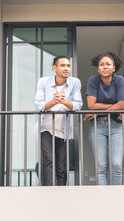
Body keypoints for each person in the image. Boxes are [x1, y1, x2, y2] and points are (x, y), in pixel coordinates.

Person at [35, 56, 82, 186]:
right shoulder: (43, 82)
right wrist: (54, 101)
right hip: (46, 128)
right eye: (63, 65)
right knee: (48, 160)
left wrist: (64, 101)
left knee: (61, 165)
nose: (66, 68)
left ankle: (61, 191)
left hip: (63, 131)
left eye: (68, 66)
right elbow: (39, 105)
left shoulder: (75, 83)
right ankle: (50, 190)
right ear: (54, 68)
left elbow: (78, 105)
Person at [84, 51, 124, 185]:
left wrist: (99, 111)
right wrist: (115, 108)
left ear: (114, 68)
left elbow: (122, 104)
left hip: (116, 126)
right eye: (101, 64)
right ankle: (102, 197)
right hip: (97, 126)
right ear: (98, 68)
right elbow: (91, 105)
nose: (104, 67)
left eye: (108, 64)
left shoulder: (119, 80)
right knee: (101, 166)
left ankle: (116, 196)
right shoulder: (93, 80)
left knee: (116, 165)